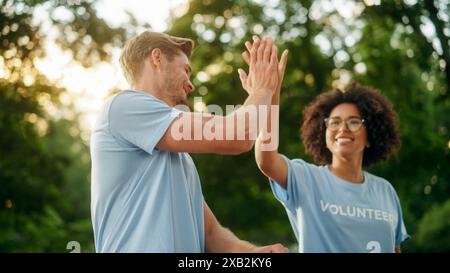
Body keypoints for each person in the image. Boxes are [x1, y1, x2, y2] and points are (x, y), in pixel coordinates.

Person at [90, 31, 289, 252]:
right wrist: (263, 89)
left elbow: (212, 234)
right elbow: (237, 136)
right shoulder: (123, 106)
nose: (191, 85)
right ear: (157, 58)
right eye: (186, 70)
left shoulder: (180, 159)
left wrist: (254, 253)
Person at [250, 72, 410, 252]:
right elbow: (267, 160)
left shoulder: (386, 191)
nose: (343, 128)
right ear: (323, 135)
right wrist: (270, 96)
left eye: (354, 122)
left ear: (370, 136)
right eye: (334, 122)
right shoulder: (306, 178)